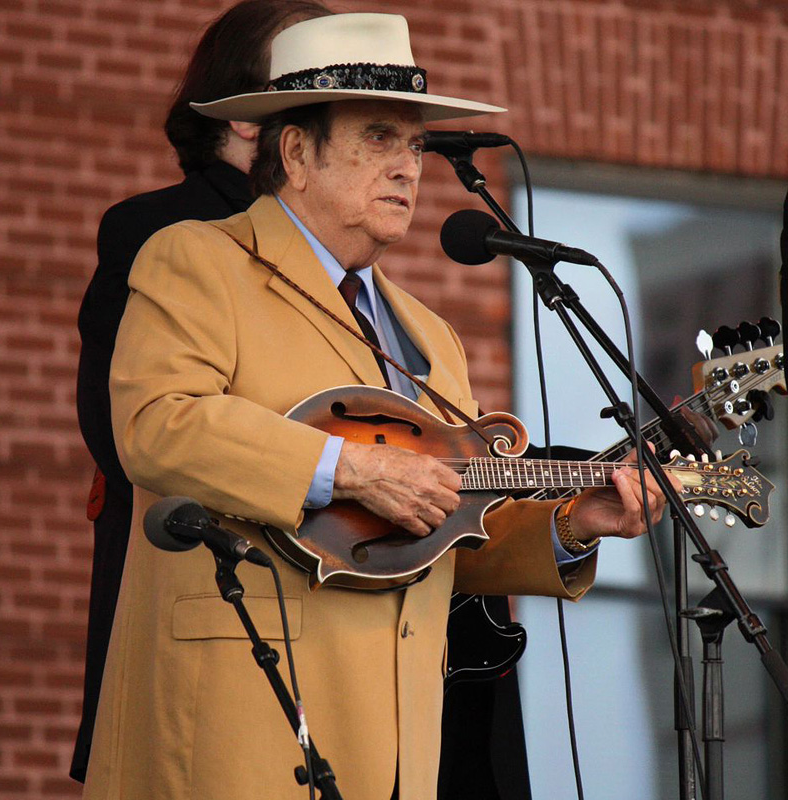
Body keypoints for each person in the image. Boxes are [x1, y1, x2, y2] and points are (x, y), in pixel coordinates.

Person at [82, 13, 676, 800]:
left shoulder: (431, 336)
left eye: (415, 145)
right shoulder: (196, 258)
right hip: (237, 722)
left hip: (396, 748)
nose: (407, 167)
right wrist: (350, 469)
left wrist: (571, 526)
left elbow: (445, 537)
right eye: (377, 138)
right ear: (296, 152)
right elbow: (157, 426)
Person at [71, 0, 331, 782]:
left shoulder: (339, 260)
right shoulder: (163, 231)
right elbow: (131, 433)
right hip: (204, 604)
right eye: (313, 101)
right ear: (247, 121)